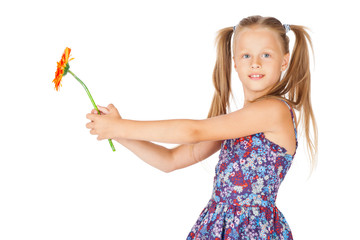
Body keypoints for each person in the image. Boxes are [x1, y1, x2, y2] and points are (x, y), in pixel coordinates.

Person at [85, 15, 318, 239]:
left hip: (252, 230)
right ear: (234, 62)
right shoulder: (234, 125)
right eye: (246, 55)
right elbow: (170, 160)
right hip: (217, 227)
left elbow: (192, 132)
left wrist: (121, 127)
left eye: (266, 55)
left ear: (284, 60)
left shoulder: (273, 111)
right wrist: (117, 133)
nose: (255, 63)